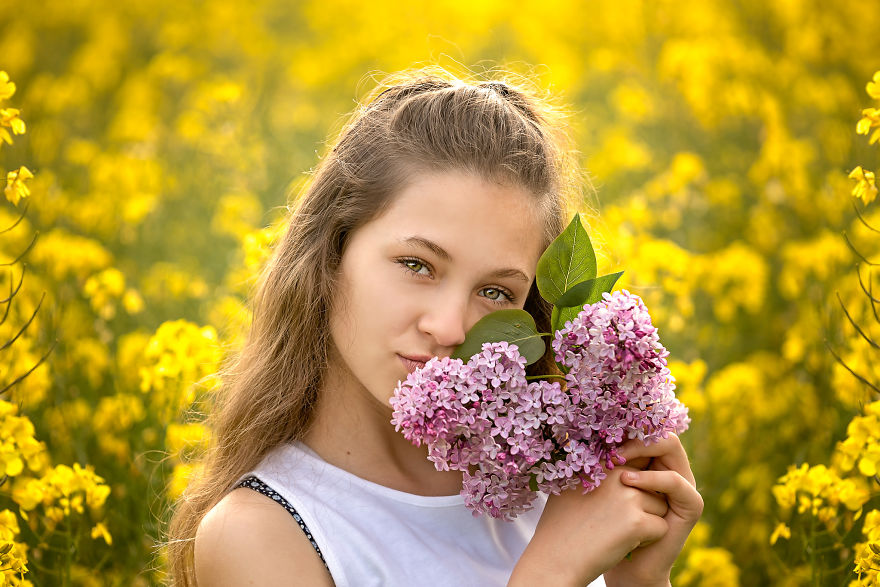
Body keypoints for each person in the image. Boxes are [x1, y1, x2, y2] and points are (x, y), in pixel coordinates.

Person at [167, 67, 703, 586]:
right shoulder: (259, 534)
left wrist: (638, 580)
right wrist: (554, 573)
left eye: (496, 292)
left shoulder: (552, 481)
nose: (449, 328)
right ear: (331, 253)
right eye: (417, 265)